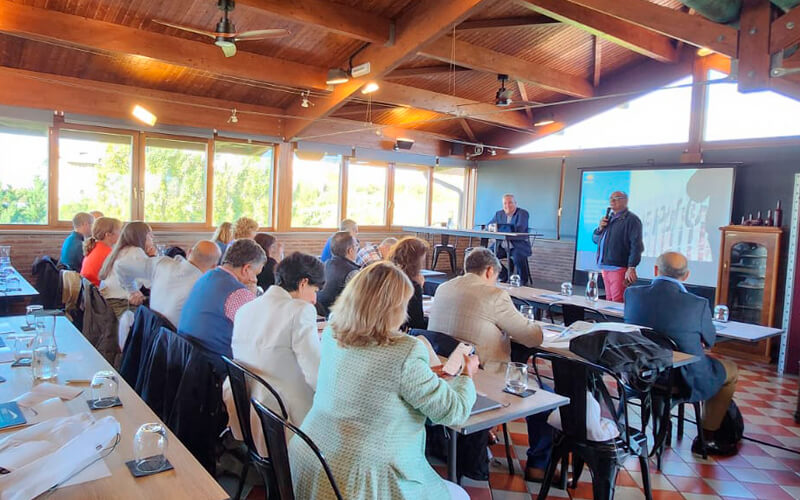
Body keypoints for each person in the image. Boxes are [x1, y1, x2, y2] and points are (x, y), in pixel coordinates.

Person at [289, 261, 477, 500]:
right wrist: (466, 376)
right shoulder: (405, 351)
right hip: (362, 482)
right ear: (393, 308)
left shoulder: (332, 332)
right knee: (460, 495)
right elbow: (453, 411)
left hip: (312, 459)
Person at [428, 247, 549, 481]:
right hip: (481, 373)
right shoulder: (495, 296)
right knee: (545, 396)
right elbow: (532, 337)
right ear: (489, 271)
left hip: (445, 368)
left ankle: (484, 436)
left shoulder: (444, 288)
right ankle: (538, 465)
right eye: (495, 278)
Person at [624, 251, 738, 455]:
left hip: (640, 373)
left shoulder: (633, 294)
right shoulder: (697, 304)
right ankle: (708, 437)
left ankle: (663, 420)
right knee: (731, 370)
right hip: (683, 377)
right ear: (686, 276)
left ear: (655, 270)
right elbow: (710, 341)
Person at [223, 252, 325, 456]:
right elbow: (316, 374)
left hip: (250, 407)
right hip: (285, 417)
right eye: (315, 290)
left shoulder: (246, 308)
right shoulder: (300, 310)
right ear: (303, 283)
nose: (314, 300)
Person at [178, 239, 265, 357]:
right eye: (255, 273)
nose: (255, 279)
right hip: (214, 366)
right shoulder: (238, 294)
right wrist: (251, 296)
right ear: (246, 269)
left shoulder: (206, 276)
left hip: (187, 356)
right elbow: (259, 332)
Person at [116, 240, 221, 328]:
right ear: (214, 266)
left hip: (147, 335)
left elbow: (121, 265)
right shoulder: (205, 289)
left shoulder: (162, 264)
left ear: (189, 252)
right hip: (177, 344)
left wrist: (132, 290)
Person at [592, 190, 644, 302]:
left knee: (617, 300)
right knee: (609, 300)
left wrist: (632, 267)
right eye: (611, 198)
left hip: (618, 267)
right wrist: (600, 228)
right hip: (605, 266)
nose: (612, 201)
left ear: (625, 201)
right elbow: (595, 240)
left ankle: (616, 320)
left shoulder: (631, 220)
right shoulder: (608, 218)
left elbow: (636, 245)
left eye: (616, 198)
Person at [98, 222, 156, 318]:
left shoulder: (120, 250)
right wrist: (153, 257)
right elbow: (150, 282)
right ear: (141, 236)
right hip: (121, 305)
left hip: (107, 302)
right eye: (150, 235)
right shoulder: (136, 252)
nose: (152, 237)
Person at [487, 194, 532, 285]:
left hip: (518, 245)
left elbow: (519, 228)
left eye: (510, 203)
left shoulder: (523, 213)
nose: (507, 205)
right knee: (487, 255)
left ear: (515, 203)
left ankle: (523, 280)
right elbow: (490, 225)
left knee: (518, 257)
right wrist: (502, 228)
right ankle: (504, 275)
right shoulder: (499, 214)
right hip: (502, 245)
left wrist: (499, 228)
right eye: (505, 203)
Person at [387, 237, 429, 330]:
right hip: (400, 333)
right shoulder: (411, 285)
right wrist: (419, 288)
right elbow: (416, 324)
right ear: (416, 262)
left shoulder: (386, 276)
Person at [315, 231, 360, 317]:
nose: (358, 248)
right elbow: (358, 301)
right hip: (336, 315)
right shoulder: (352, 272)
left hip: (320, 310)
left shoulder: (327, 263)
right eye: (356, 245)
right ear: (350, 250)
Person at [80, 217, 122, 287]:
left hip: (90, 291)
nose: (121, 234)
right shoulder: (108, 253)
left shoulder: (94, 246)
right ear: (108, 235)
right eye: (119, 231)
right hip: (100, 292)